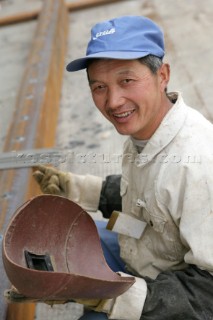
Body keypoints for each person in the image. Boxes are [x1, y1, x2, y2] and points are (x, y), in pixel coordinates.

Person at [33, 15, 213, 320]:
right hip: (146, 249)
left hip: (174, 294)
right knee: (55, 247)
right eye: (99, 86)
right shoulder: (148, 130)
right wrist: (81, 190)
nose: (114, 101)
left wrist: (114, 300)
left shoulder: (197, 167)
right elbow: (152, 201)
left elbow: (207, 296)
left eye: (126, 80)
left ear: (162, 75)